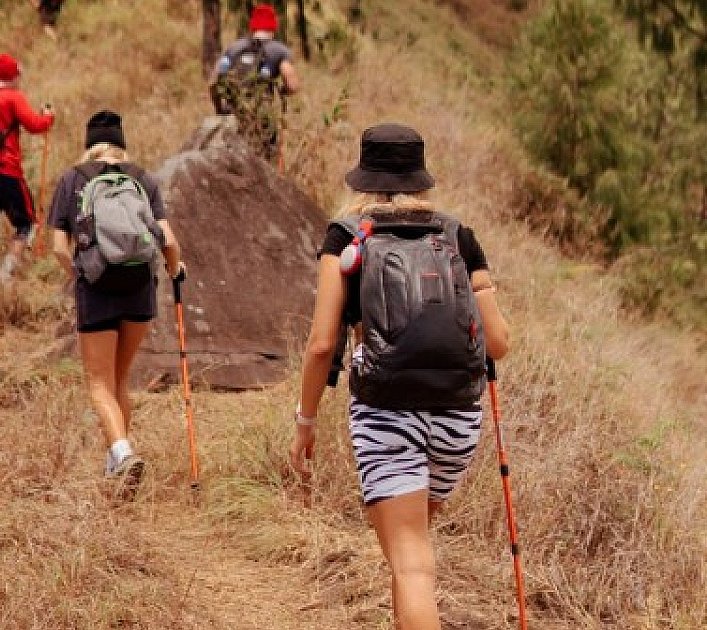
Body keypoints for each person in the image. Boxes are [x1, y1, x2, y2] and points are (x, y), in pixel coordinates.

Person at [288, 123, 510, 630]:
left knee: (410, 563)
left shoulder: (345, 237)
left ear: (363, 179)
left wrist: (306, 420)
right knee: (409, 552)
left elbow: (323, 343)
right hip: (458, 417)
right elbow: (497, 343)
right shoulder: (457, 235)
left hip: (386, 414)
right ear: (421, 178)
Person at [48, 111, 184, 499]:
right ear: (122, 143)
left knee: (98, 383)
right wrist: (174, 269)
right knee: (120, 379)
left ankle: (122, 454)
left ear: (88, 143)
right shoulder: (143, 178)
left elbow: (58, 246)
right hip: (140, 283)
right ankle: (117, 465)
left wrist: (80, 275)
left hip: (97, 285)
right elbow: (169, 242)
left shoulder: (73, 179)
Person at [0, 53, 55, 282]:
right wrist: (49, 117)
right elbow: (35, 125)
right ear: (12, 76)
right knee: (27, 224)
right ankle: (5, 274)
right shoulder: (12, 97)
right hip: (8, 170)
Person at [209, 3, 300, 162]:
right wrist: (283, 91)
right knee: (268, 162)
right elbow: (292, 84)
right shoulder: (278, 50)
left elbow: (213, 83)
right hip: (263, 116)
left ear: (253, 26)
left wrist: (220, 110)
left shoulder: (233, 49)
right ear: (273, 27)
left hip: (233, 115)